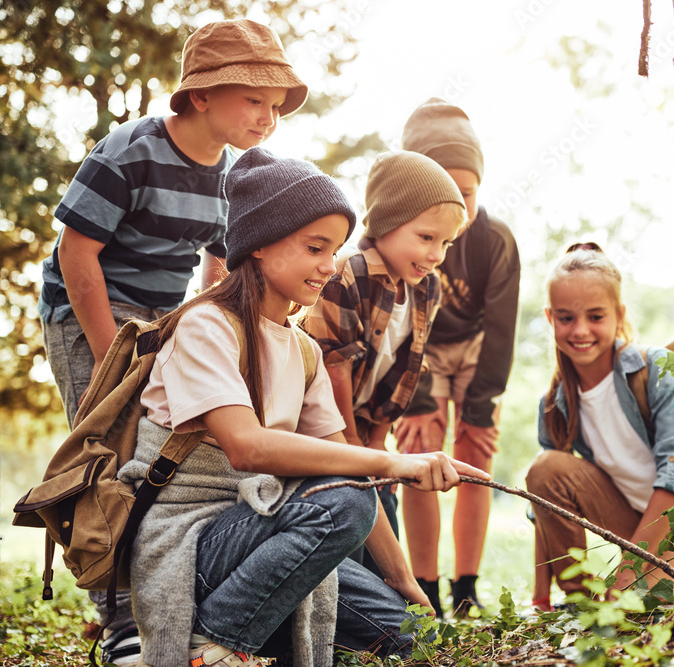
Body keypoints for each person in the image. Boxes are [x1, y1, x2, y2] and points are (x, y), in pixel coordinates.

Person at [116, 148, 488, 667]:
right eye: (316, 247)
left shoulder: (304, 350)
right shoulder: (205, 327)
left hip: (263, 538)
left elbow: (345, 466)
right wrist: (394, 463)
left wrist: (402, 580)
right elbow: (246, 447)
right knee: (348, 501)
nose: (330, 266)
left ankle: (238, 641)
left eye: (334, 249)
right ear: (261, 246)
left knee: (413, 638)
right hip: (192, 547)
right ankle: (212, 644)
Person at [36, 19, 307, 665]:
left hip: (162, 317)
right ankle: (119, 618)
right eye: (254, 100)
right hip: (87, 310)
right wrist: (109, 357)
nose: (268, 117)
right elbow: (78, 253)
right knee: (109, 445)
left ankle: (164, 591)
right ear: (202, 95)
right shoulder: (130, 151)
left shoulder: (233, 176)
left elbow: (219, 261)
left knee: (163, 453)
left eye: (276, 106)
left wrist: (198, 326)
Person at [302, 150, 467, 568]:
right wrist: (354, 445)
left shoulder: (426, 290)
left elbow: (405, 372)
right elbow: (334, 364)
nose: (436, 255)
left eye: (446, 243)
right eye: (426, 238)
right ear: (388, 223)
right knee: (346, 521)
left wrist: (378, 443)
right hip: (322, 430)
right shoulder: (347, 273)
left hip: (367, 428)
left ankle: (394, 610)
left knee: (383, 510)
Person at [392, 98, 520, 617]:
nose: (455, 207)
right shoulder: (398, 240)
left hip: (474, 348)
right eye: (439, 191)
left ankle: (466, 589)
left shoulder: (494, 241)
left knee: (474, 456)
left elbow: (502, 331)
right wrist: (419, 400)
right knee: (420, 453)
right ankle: (427, 588)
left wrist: (481, 408)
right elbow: (396, 327)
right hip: (413, 350)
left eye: (464, 193)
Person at [526, 245, 674, 611]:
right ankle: (582, 604)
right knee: (545, 467)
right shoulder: (555, 405)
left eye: (596, 316)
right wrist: (540, 597)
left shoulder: (655, 369)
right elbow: (542, 507)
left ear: (618, 315)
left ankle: (647, 584)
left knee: (649, 608)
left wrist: (628, 573)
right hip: (631, 525)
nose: (580, 330)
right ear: (550, 318)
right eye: (566, 318)